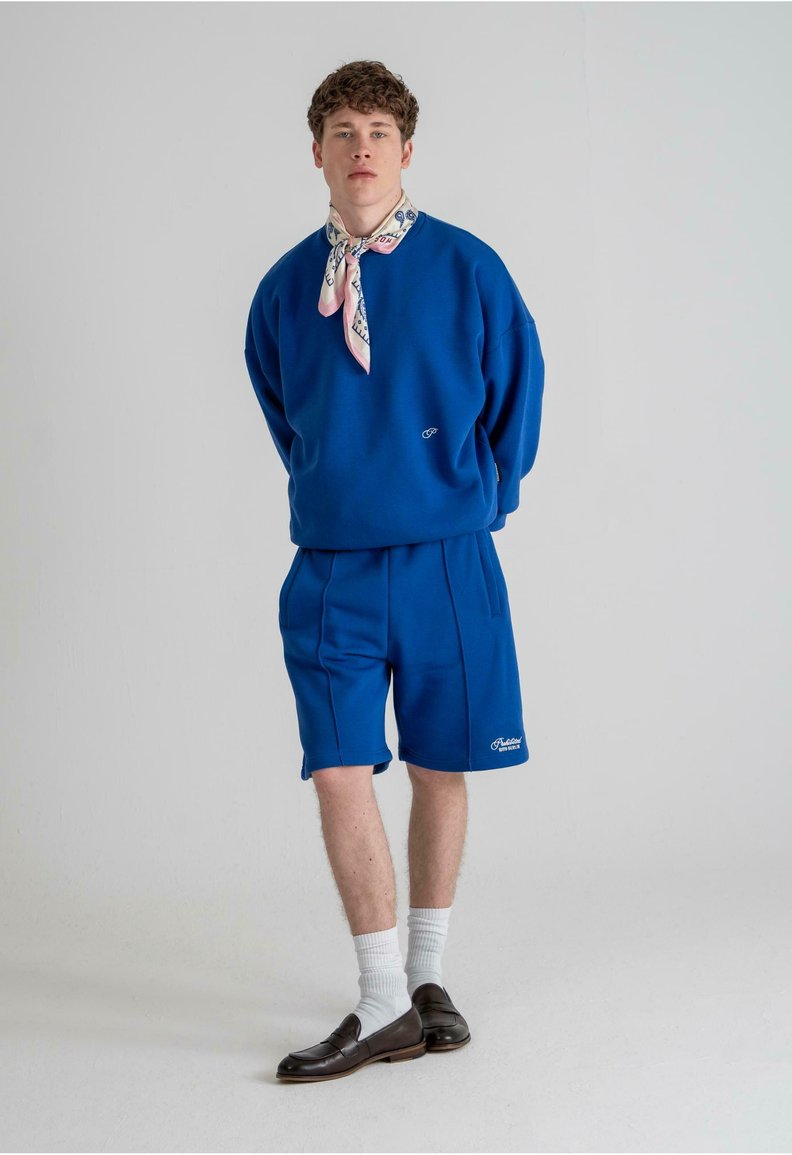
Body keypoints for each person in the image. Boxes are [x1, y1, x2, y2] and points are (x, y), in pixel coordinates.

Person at [244, 59, 545, 1083]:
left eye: (378, 131)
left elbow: (518, 393)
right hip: (330, 565)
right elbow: (286, 416)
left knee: (438, 763)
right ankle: (379, 999)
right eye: (343, 132)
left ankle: (423, 979)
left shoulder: (467, 268)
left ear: (406, 151)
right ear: (317, 153)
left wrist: (471, 501)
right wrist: (339, 491)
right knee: (336, 764)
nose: (361, 148)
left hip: (445, 557)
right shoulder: (283, 290)